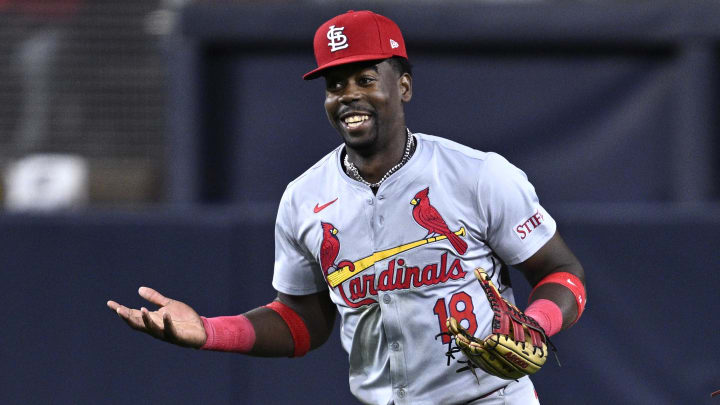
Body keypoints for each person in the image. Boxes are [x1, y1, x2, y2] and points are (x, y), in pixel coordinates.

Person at [107, 10, 586, 404]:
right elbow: (302, 324)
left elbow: (561, 270)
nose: (349, 95)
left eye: (365, 78)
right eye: (335, 84)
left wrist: (538, 323)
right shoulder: (305, 197)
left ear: (403, 86)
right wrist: (210, 331)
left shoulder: (477, 175)